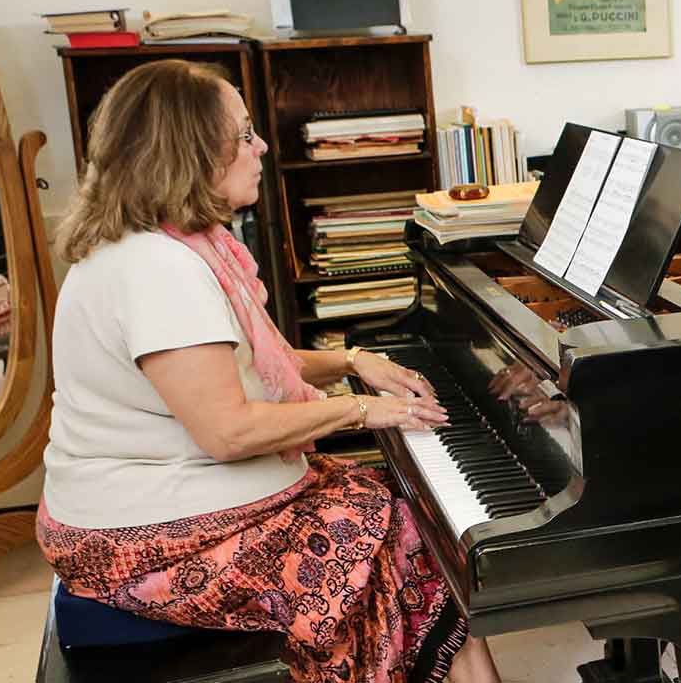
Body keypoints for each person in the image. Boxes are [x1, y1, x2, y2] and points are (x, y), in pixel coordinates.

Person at [35, 60, 504, 683]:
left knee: (404, 519)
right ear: (193, 152)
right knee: (404, 539)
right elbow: (226, 430)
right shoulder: (156, 270)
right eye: (245, 134)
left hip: (157, 507)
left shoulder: (177, 245)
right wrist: (360, 409)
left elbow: (247, 365)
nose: (260, 148)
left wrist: (351, 360)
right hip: (144, 542)